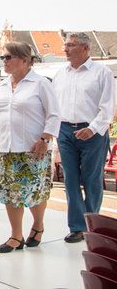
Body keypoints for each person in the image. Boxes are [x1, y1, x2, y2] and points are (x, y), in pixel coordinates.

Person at [0, 42, 60, 252]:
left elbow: (54, 114)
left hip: (34, 149)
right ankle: (16, 236)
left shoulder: (40, 84)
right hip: (7, 149)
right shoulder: (2, 86)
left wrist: (45, 139)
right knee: (10, 193)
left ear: (24, 60)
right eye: (3, 57)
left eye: (8, 57)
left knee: (35, 192)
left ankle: (38, 225)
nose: (3, 61)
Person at [53, 32, 115, 243]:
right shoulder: (60, 74)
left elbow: (108, 107)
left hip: (93, 133)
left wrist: (94, 128)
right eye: (65, 45)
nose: (66, 49)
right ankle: (77, 226)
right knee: (70, 180)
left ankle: (92, 225)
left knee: (91, 179)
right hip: (65, 131)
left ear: (85, 48)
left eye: (70, 45)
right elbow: (54, 106)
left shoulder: (102, 73)